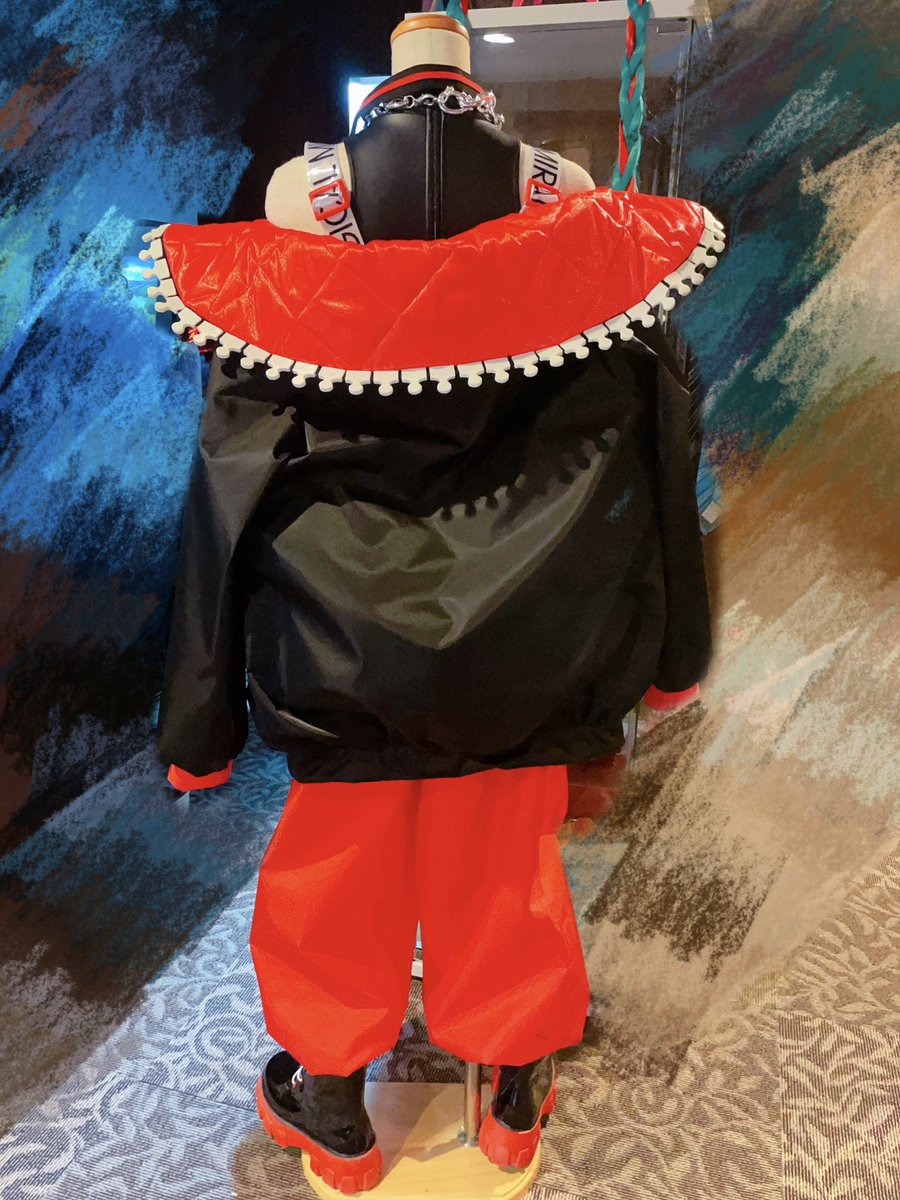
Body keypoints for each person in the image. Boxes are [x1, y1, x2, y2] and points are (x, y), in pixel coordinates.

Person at [149, 13, 723, 1193]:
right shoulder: (588, 240)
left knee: (336, 872)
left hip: (334, 654)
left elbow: (223, 503)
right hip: (527, 651)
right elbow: (662, 464)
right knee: (505, 866)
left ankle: (333, 1103)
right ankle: (512, 1092)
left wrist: (198, 728)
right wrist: (673, 654)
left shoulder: (290, 229)